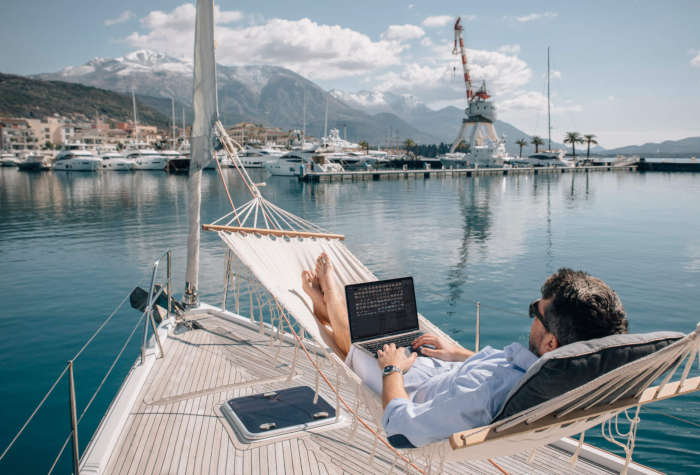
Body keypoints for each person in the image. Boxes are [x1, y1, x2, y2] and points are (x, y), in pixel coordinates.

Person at [301, 253, 629, 447]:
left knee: (357, 345)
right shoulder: (554, 371)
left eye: (536, 312)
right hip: (444, 370)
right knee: (383, 337)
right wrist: (457, 353)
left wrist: (392, 369)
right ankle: (327, 308)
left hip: (408, 386)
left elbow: (401, 428)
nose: (531, 317)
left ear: (551, 343)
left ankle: (329, 294)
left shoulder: (484, 395)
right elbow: (502, 370)